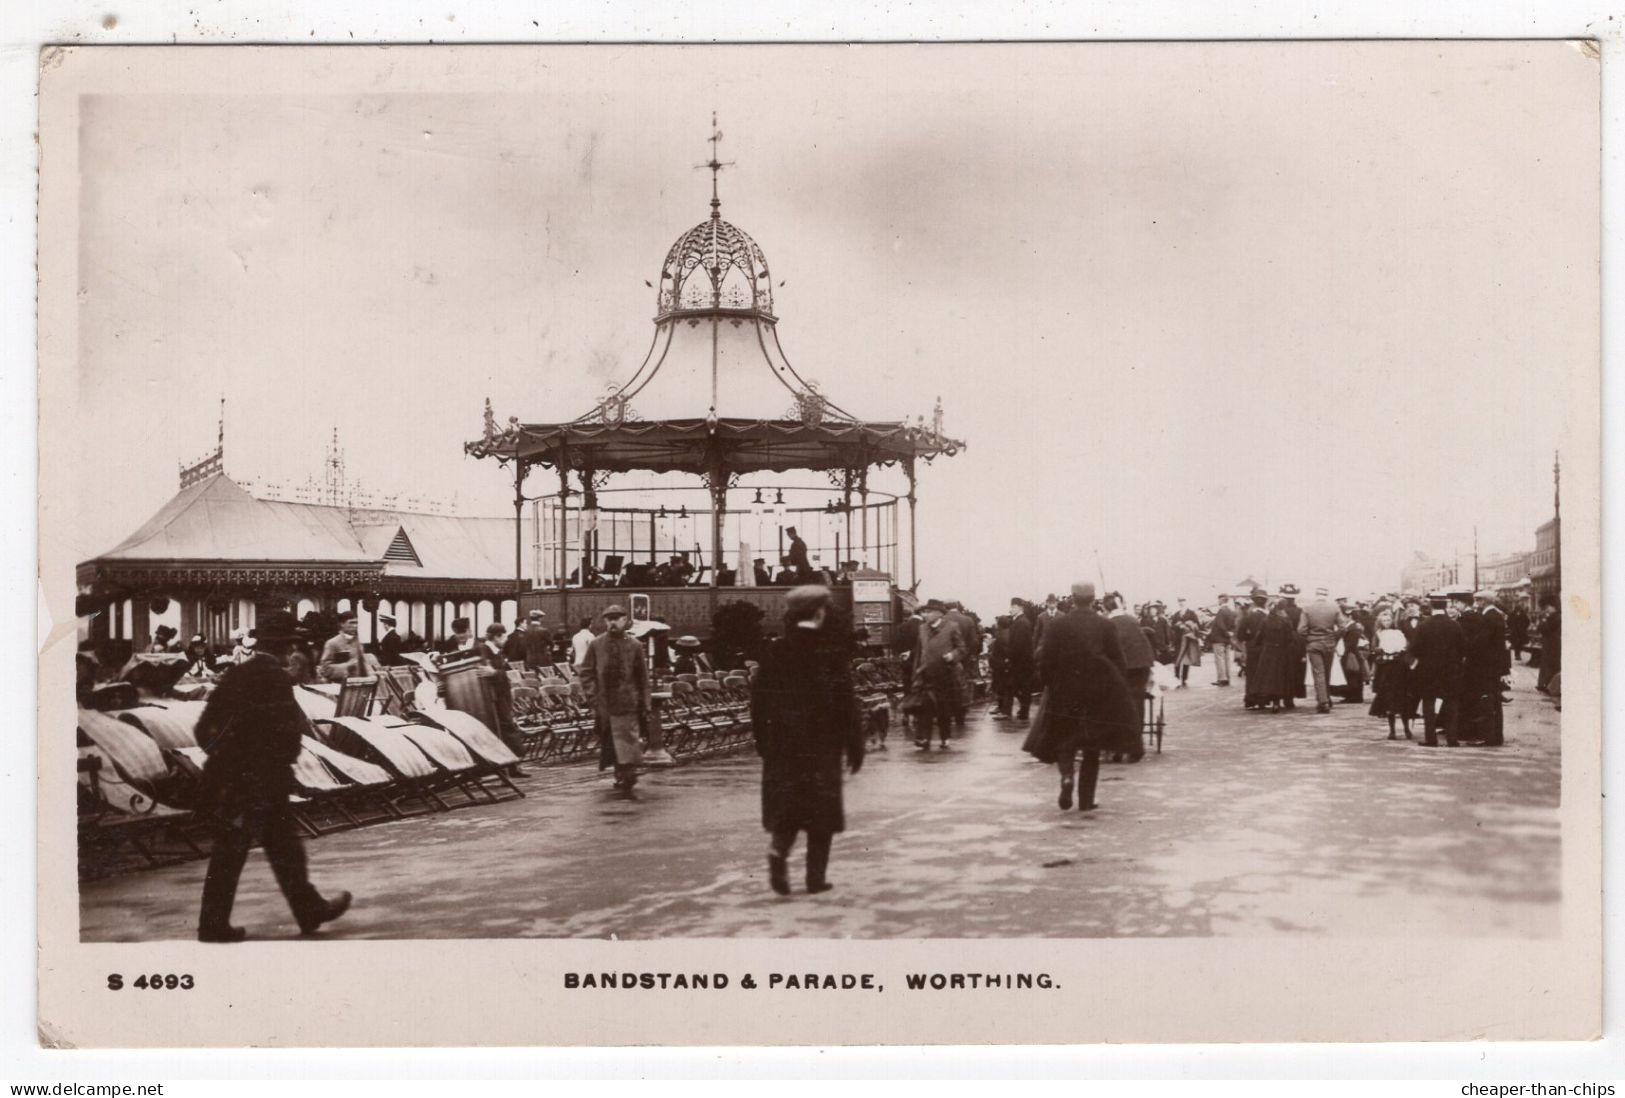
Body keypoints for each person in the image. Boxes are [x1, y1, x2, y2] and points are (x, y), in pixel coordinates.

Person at [193, 610, 351, 943]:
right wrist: (273, 765)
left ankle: (219, 922)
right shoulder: (276, 679)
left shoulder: (235, 676)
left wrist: (228, 762)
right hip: (264, 780)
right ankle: (302, 910)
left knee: (248, 848)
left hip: (231, 779)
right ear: (287, 646)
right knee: (274, 847)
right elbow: (286, 733)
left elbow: (203, 730)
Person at [750, 585, 865, 895]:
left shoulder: (775, 651)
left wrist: (764, 743)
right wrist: (855, 745)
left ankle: (778, 854)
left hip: (783, 748)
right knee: (821, 815)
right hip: (822, 747)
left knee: (787, 810)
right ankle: (815, 879)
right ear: (820, 612)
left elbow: (758, 704)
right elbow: (846, 705)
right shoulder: (830, 654)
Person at [1022, 582, 1136, 812]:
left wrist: (1050, 684)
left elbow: (1046, 660)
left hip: (1064, 691)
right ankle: (1086, 800)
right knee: (1092, 745)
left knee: (1065, 739)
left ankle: (1066, 777)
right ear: (1094, 599)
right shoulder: (1105, 624)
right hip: (1097, 694)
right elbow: (1118, 661)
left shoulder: (1058, 624)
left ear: (1072, 599)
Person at [578, 605, 649, 791]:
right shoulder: (596, 644)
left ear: (625, 620)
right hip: (605, 703)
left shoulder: (635, 645)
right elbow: (586, 673)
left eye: (617, 618)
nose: (613, 622)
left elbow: (642, 677)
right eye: (609, 619)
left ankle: (628, 773)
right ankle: (621, 773)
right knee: (611, 741)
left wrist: (645, 702)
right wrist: (593, 696)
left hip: (628, 701)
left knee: (629, 740)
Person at [906, 599, 964, 750]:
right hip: (926, 674)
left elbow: (962, 648)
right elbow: (919, 652)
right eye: (924, 612)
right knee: (924, 707)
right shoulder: (922, 629)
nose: (925, 614)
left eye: (928, 611)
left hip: (945, 674)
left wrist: (953, 655)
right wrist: (916, 671)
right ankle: (924, 738)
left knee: (943, 708)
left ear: (939, 614)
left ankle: (945, 737)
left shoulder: (951, 627)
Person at [1409, 595, 1465, 747]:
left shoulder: (1423, 625)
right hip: (1451, 670)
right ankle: (1452, 739)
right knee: (1451, 702)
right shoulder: (1455, 625)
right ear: (1445, 605)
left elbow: (1414, 649)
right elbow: (1463, 649)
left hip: (1429, 670)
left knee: (1429, 702)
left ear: (1431, 606)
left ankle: (1431, 738)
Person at [476, 623, 529, 774]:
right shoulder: (485, 651)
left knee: (507, 728)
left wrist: (497, 673)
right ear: (496, 637)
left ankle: (513, 765)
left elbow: (498, 672)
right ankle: (511, 765)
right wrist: (496, 674)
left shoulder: (496, 651)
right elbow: (489, 673)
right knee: (505, 728)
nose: (506, 639)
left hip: (501, 695)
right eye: (504, 636)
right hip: (495, 698)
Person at [1460, 590, 1509, 746]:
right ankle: (1495, 736)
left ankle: (1490, 736)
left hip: (1485, 667)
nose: (1476, 604)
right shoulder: (1496, 615)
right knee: (1492, 700)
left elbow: (1481, 643)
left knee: (1487, 701)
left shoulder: (1489, 617)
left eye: (1478, 601)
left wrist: (1467, 649)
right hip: (1492, 667)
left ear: (1484, 601)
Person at [1368, 607, 1414, 739]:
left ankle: (1406, 729)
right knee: (1388, 699)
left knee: (1403, 698)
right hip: (1385, 668)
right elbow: (1373, 648)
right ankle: (1392, 730)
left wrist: (1400, 650)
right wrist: (1381, 650)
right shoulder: (1378, 634)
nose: (1387, 622)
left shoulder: (1398, 633)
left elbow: (1407, 646)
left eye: (1388, 620)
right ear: (1380, 622)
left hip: (1399, 667)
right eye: (1384, 620)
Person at [1297, 587, 1346, 714]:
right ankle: (1326, 697)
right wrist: (1334, 637)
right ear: (1327, 595)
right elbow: (1343, 627)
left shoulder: (1307, 608)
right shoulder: (1334, 608)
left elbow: (1301, 630)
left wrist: (1309, 639)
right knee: (1327, 672)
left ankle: (1323, 701)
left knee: (1319, 672)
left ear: (1316, 595)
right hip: (1329, 643)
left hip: (1314, 644)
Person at [1250, 602, 1296, 713]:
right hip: (1282, 651)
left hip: (1268, 651)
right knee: (1280, 676)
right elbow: (1290, 638)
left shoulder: (1265, 620)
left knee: (1269, 677)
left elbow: (1258, 637)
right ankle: (1281, 701)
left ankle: (1271, 701)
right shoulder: (1286, 621)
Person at [1236, 588, 1270, 709]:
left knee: (1251, 673)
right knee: (1264, 673)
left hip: (1252, 648)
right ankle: (1263, 699)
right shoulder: (1269, 616)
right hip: (1266, 648)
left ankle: (1250, 699)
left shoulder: (1248, 617)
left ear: (1254, 601)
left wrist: (1249, 637)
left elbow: (1240, 634)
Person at [1005, 598, 1036, 720]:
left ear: (1019, 608)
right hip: (1022, 661)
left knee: (1020, 686)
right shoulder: (1020, 621)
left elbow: (1018, 644)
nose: (1010, 609)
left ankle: (1024, 710)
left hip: (1021, 661)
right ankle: (1024, 710)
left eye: (1013, 607)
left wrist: (1010, 657)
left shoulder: (1021, 622)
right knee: (1021, 686)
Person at [318, 612, 370, 683]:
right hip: (340, 687)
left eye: (357, 623)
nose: (355, 626)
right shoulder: (332, 643)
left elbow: (363, 665)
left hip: (359, 685)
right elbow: (325, 669)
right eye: (351, 623)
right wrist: (347, 665)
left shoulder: (358, 642)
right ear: (342, 624)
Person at [1337, 615, 1369, 704]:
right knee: (1353, 675)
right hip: (1353, 654)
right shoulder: (1353, 627)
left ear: (1349, 617)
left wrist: (1345, 652)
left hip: (1351, 654)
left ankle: (1354, 697)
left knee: (1352, 675)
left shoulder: (1353, 628)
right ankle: (1354, 696)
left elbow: (1351, 644)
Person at [1207, 593, 1236, 687]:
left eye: (1218, 599)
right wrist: (1229, 633)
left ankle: (1222, 679)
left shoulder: (1221, 611)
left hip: (1219, 639)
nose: (1218, 601)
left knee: (1219, 659)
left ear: (1221, 600)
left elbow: (1219, 624)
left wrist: (1225, 633)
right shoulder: (1231, 611)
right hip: (1227, 639)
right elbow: (1233, 625)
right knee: (1227, 659)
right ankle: (1227, 678)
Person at [989, 615, 1014, 719]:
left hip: (1001, 666)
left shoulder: (1002, 635)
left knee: (1003, 687)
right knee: (1002, 687)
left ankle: (1005, 711)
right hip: (1002, 665)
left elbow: (1003, 651)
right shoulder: (1008, 633)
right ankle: (1001, 708)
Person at [1536, 594, 1561, 694]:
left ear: (1553, 606)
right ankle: (1545, 684)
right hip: (1550, 644)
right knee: (1548, 665)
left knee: (1551, 665)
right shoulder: (1554, 617)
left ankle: (1548, 685)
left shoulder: (1556, 618)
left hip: (1553, 645)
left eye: (1547, 608)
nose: (1545, 610)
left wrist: (1544, 619)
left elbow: (1543, 628)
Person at [1172, 610, 1202, 688]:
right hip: (1178, 640)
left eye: (1183, 601)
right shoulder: (1176, 614)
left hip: (1188, 639)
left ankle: (1184, 678)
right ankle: (1176, 676)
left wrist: (1189, 625)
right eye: (1180, 601)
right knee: (1177, 658)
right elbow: (1172, 626)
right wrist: (1177, 626)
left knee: (1186, 659)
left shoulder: (1191, 613)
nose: (1181, 603)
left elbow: (1197, 625)